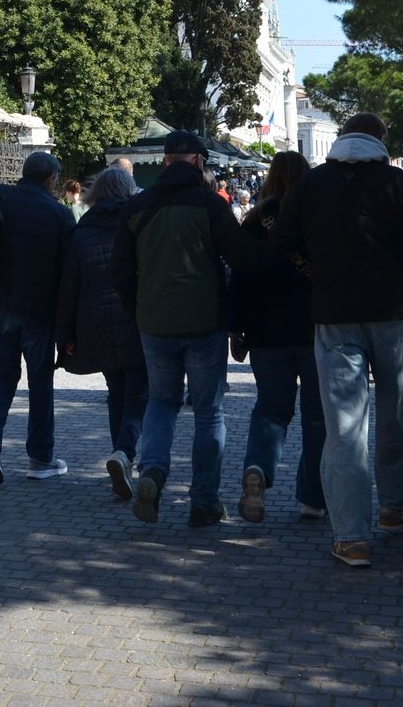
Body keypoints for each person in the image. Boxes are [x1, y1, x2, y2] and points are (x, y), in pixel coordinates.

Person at [268, 113, 403, 568]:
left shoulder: (311, 185)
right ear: (380, 142)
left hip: (333, 315)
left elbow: (280, 244)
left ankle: (351, 537)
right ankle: (398, 507)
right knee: (394, 408)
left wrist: (316, 273)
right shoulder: (399, 182)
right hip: (390, 313)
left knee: (345, 426)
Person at [112, 130, 261, 528]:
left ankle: (154, 474)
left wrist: (138, 310)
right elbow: (244, 258)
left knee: (161, 403)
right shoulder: (210, 205)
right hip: (204, 322)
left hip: (155, 323)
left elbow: (120, 271)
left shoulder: (136, 207)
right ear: (197, 162)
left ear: (164, 161)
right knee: (209, 412)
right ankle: (205, 501)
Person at [0, 150, 76, 484]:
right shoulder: (59, 214)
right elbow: (69, 271)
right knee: (40, 383)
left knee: (1, 376)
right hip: (37, 312)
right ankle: (40, 458)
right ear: (51, 179)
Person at [231, 151, 326, 525]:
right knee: (318, 418)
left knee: (270, 410)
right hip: (316, 331)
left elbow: (239, 279)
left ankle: (258, 469)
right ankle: (312, 499)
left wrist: (236, 329)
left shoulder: (254, 223)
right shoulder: (318, 220)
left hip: (266, 335)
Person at [55, 166, 146, 499]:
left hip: (97, 326)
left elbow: (69, 288)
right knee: (140, 394)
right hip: (137, 320)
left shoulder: (83, 230)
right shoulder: (139, 224)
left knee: (117, 393)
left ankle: (120, 458)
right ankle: (125, 454)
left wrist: (64, 336)